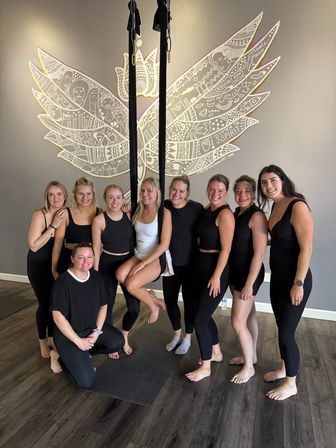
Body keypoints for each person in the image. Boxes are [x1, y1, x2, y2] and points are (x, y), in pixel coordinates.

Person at [258, 164, 313, 400]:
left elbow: (306, 247)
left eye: (272, 180)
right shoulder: (275, 207)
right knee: (281, 327)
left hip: (295, 280)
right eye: (263, 183)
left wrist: (298, 283)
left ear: (282, 180)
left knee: (286, 333)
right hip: (278, 279)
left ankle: (291, 383)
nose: (268, 186)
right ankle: (284, 368)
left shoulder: (296, 205)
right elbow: (281, 240)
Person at [50, 243, 124, 389]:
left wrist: (96, 332)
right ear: (72, 259)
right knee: (85, 383)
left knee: (117, 342)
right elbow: (58, 318)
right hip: (68, 336)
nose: (86, 261)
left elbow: (104, 306)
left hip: (89, 330)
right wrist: (78, 341)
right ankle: (58, 355)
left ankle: (84, 354)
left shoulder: (96, 278)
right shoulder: (62, 283)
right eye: (80, 257)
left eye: (89, 257)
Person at [186, 174, 235, 382]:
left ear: (226, 192)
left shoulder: (225, 215)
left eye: (220, 190)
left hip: (216, 271)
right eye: (212, 189)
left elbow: (226, 250)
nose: (215, 193)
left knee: (200, 320)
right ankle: (216, 352)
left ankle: (205, 367)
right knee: (202, 314)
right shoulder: (208, 209)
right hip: (200, 268)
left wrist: (216, 276)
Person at [92, 184, 140, 357]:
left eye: (118, 197)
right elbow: (96, 248)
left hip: (127, 263)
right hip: (106, 264)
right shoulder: (99, 220)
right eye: (111, 197)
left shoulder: (129, 215)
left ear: (123, 199)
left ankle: (124, 335)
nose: (115, 201)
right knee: (107, 306)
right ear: (105, 199)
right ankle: (112, 342)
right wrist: (95, 274)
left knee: (134, 307)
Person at [116, 177, 171, 324]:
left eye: (149, 190)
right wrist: (127, 214)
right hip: (139, 253)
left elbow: (164, 245)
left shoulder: (164, 214)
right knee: (120, 275)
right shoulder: (138, 208)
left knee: (131, 285)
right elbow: (135, 231)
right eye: (143, 190)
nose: (145, 194)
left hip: (155, 257)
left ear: (158, 193)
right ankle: (151, 295)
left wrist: (143, 264)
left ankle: (153, 307)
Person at [228, 175, 268, 383]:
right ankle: (250, 355)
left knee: (237, 321)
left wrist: (249, 284)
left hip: (248, 275)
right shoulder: (236, 213)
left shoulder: (257, 216)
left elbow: (259, 254)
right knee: (249, 315)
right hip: (235, 272)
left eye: (247, 191)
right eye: (238, 191)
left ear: (253, 193)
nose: (242, 195)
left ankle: (249, 367)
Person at [163, 175, 203, 355]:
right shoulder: (162, 206)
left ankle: (187, 337)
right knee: (170, 301)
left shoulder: (196, 208)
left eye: (181, 191)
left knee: (189, 303)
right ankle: (177, 334)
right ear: (169, 188)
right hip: (170, 265)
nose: (176, 194)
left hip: (191, 266)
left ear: (187, 193)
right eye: (174, 189)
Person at [27, 181, 67, 358]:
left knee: (55, 304)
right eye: (51, 194)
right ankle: (42, 342)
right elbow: (34, 246)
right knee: (44, 305)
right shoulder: (40, 214)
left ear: (65, 196)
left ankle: (51, 338)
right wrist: (52, 227)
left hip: (56, 265)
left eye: (59, 194)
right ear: (47, 197)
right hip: (38, 266)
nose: (55, 198)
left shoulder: (66, 213)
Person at [51, 176, 100, 278]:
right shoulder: (65, 213)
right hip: (69, 261)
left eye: (88, 193)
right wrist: (53, 268)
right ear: (75, 195)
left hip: (91, 262)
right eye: (80, 193)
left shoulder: (100, 213)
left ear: (93, 195)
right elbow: (58, 244)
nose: (85, 197)